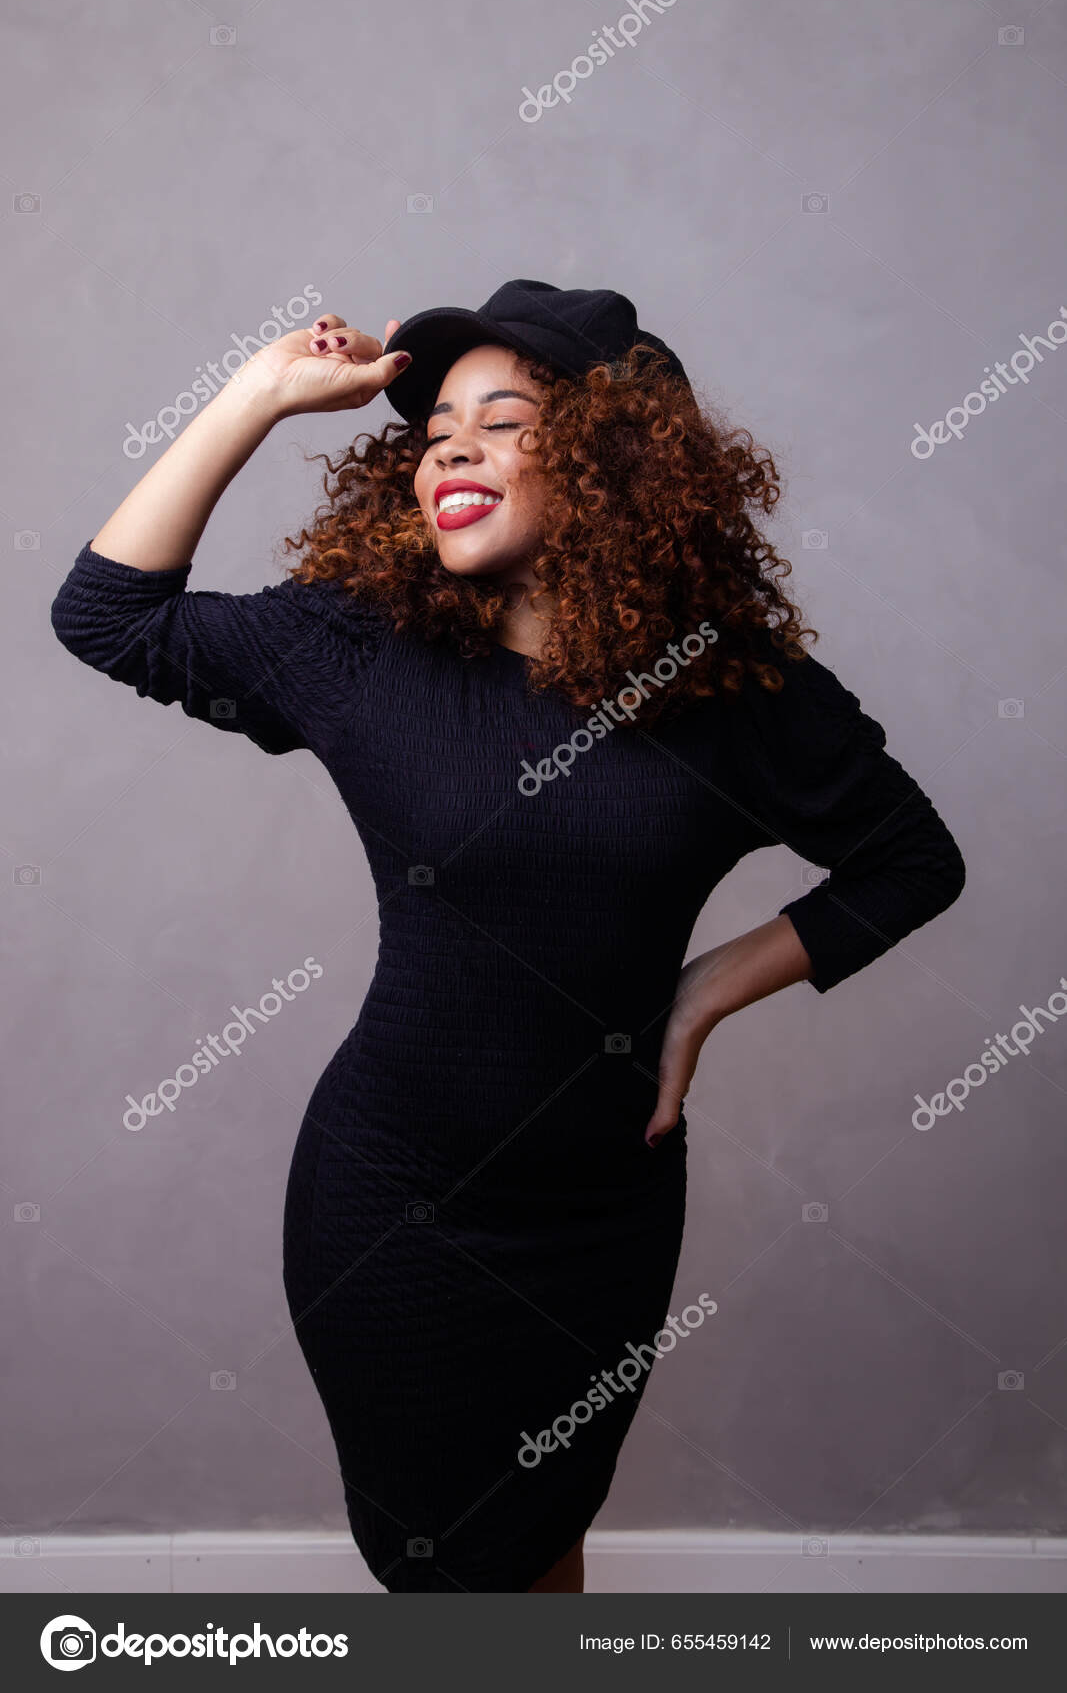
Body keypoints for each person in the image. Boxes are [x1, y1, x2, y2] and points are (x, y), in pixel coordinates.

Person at [49, 279, 966, 1593]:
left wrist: (706, 990)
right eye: (433, 435)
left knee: (543, 1551)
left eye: (502, 422)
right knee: (450, 1577)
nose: (450, 452)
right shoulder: (363, 647)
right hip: (394, 1204)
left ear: (608, 458)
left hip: (602, 1214)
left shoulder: (731, 689)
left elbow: (912, 860)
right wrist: (262, 393)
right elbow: (106, 613)